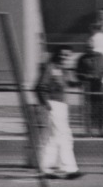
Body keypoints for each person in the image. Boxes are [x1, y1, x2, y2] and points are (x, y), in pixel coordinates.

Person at [35, 46, 82, 179]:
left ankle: (47, 168)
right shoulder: (51, 68)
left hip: (61, 105)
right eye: (63, 55)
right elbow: (40, 87)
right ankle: (69, 167)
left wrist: (82, 76)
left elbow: (72, 83)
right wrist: (46, 103)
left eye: (67, 56)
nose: (65, 58)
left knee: (54, 137)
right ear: (57, 55)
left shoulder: (63, 70)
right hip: (53, 104)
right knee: (62, 135)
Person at [76, 34, 103, 137]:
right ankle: (88, 131)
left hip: (98, 86)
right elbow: (78, 73)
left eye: (91, 46)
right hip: (88, 86)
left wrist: (99, 76)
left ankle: (100, 130)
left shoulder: (100, 56)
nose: (89, 48)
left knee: (99, 109)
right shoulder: (82, 58)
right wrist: (86, 76)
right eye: (87, 46)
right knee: (88, 110)